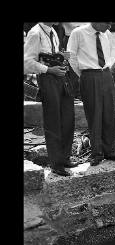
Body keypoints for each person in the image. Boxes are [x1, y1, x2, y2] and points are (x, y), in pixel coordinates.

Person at [67, 22, 115, 166]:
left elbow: (110, 53)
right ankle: (97, 153)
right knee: (94, 115)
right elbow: (71, 57)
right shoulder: (78, 33)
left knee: (110, 114)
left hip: (106, 73)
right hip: (89, 74)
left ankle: (111, 151)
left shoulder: (107, 33)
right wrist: (85, 74)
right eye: (108, 23)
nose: (110, 26)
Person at [24, 22, 76, 176]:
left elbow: (48, 55)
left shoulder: (53, 30)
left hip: (60, 77)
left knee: (68, 118)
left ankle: (65, 157)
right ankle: (56, 163)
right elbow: (26, 63)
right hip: (47, 78)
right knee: (53, 120)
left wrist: (61, 56)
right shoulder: (35, 33)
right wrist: (49, 69)